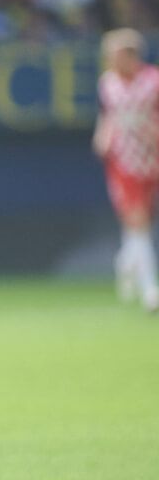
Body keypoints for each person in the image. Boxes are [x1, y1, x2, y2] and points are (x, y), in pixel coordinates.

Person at [94, 28, 159, 312]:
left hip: (153, 158)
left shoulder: (153, 81)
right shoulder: (107, 83)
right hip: (124, 161)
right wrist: (102, 136)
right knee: (137, 220)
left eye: (116, 56)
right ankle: (150, 289)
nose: (111, 61)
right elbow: (109, 115)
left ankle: (126, 261)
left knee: (140, 224)